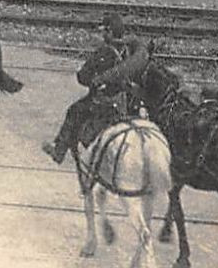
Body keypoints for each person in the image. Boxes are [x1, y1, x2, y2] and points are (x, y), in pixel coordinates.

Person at [42, 13, 150, 164]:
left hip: (102, 102)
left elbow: (83, 77)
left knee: (74, 111)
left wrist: (93, 80)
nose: (102, 34)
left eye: (104, 31)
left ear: (110, 32)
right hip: (122, 103)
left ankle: (59, 151)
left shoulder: (103, 52)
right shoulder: (128, 51)